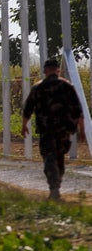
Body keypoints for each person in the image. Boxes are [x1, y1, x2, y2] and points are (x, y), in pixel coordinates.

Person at [22, 58, 84, 200]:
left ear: (45, 71)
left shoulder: (38, 87)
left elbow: (28, 109)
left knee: (49, 156)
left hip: (46, 129)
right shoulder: (67, 86)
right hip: (64, 129)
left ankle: (54, 187)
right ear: (58, 70)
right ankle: (57, 183)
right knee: (59, 156)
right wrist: (82, 129)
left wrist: (24, 125)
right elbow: (78, 110)